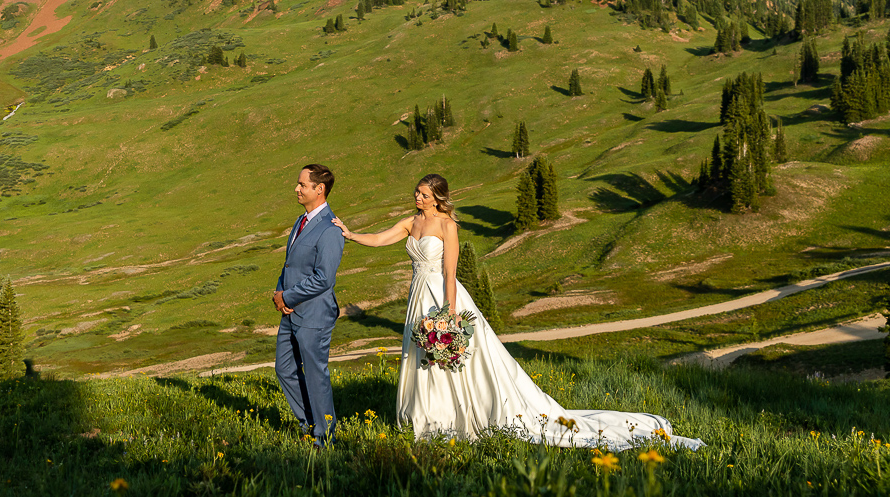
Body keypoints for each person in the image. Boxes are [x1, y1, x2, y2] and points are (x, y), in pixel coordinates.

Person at [333, 173, 703, 450]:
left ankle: (454, 417)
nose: (416, 197)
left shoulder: (447, 225)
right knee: (421, 354)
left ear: (437, 198)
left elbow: (450, 271)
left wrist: (447, 313)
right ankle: (425, 417)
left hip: (442, 296)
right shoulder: (410, 222)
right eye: (417, 192)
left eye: (423, 194)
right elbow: (380, 239)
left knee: (449, 356)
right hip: (417, 294)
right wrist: (350, 234)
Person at [273, 164, 345, 445]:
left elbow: (324, 278)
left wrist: (289, 296)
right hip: (289, 312)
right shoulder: (300, 221)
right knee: (284, 369)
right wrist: (280, 290)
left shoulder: (329, 229)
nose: (297, 189)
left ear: (320, 189)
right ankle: (311, 422)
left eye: (302, 185)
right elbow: (290, 263)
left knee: (316, 375)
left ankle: (325, 437)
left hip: (314, 314)